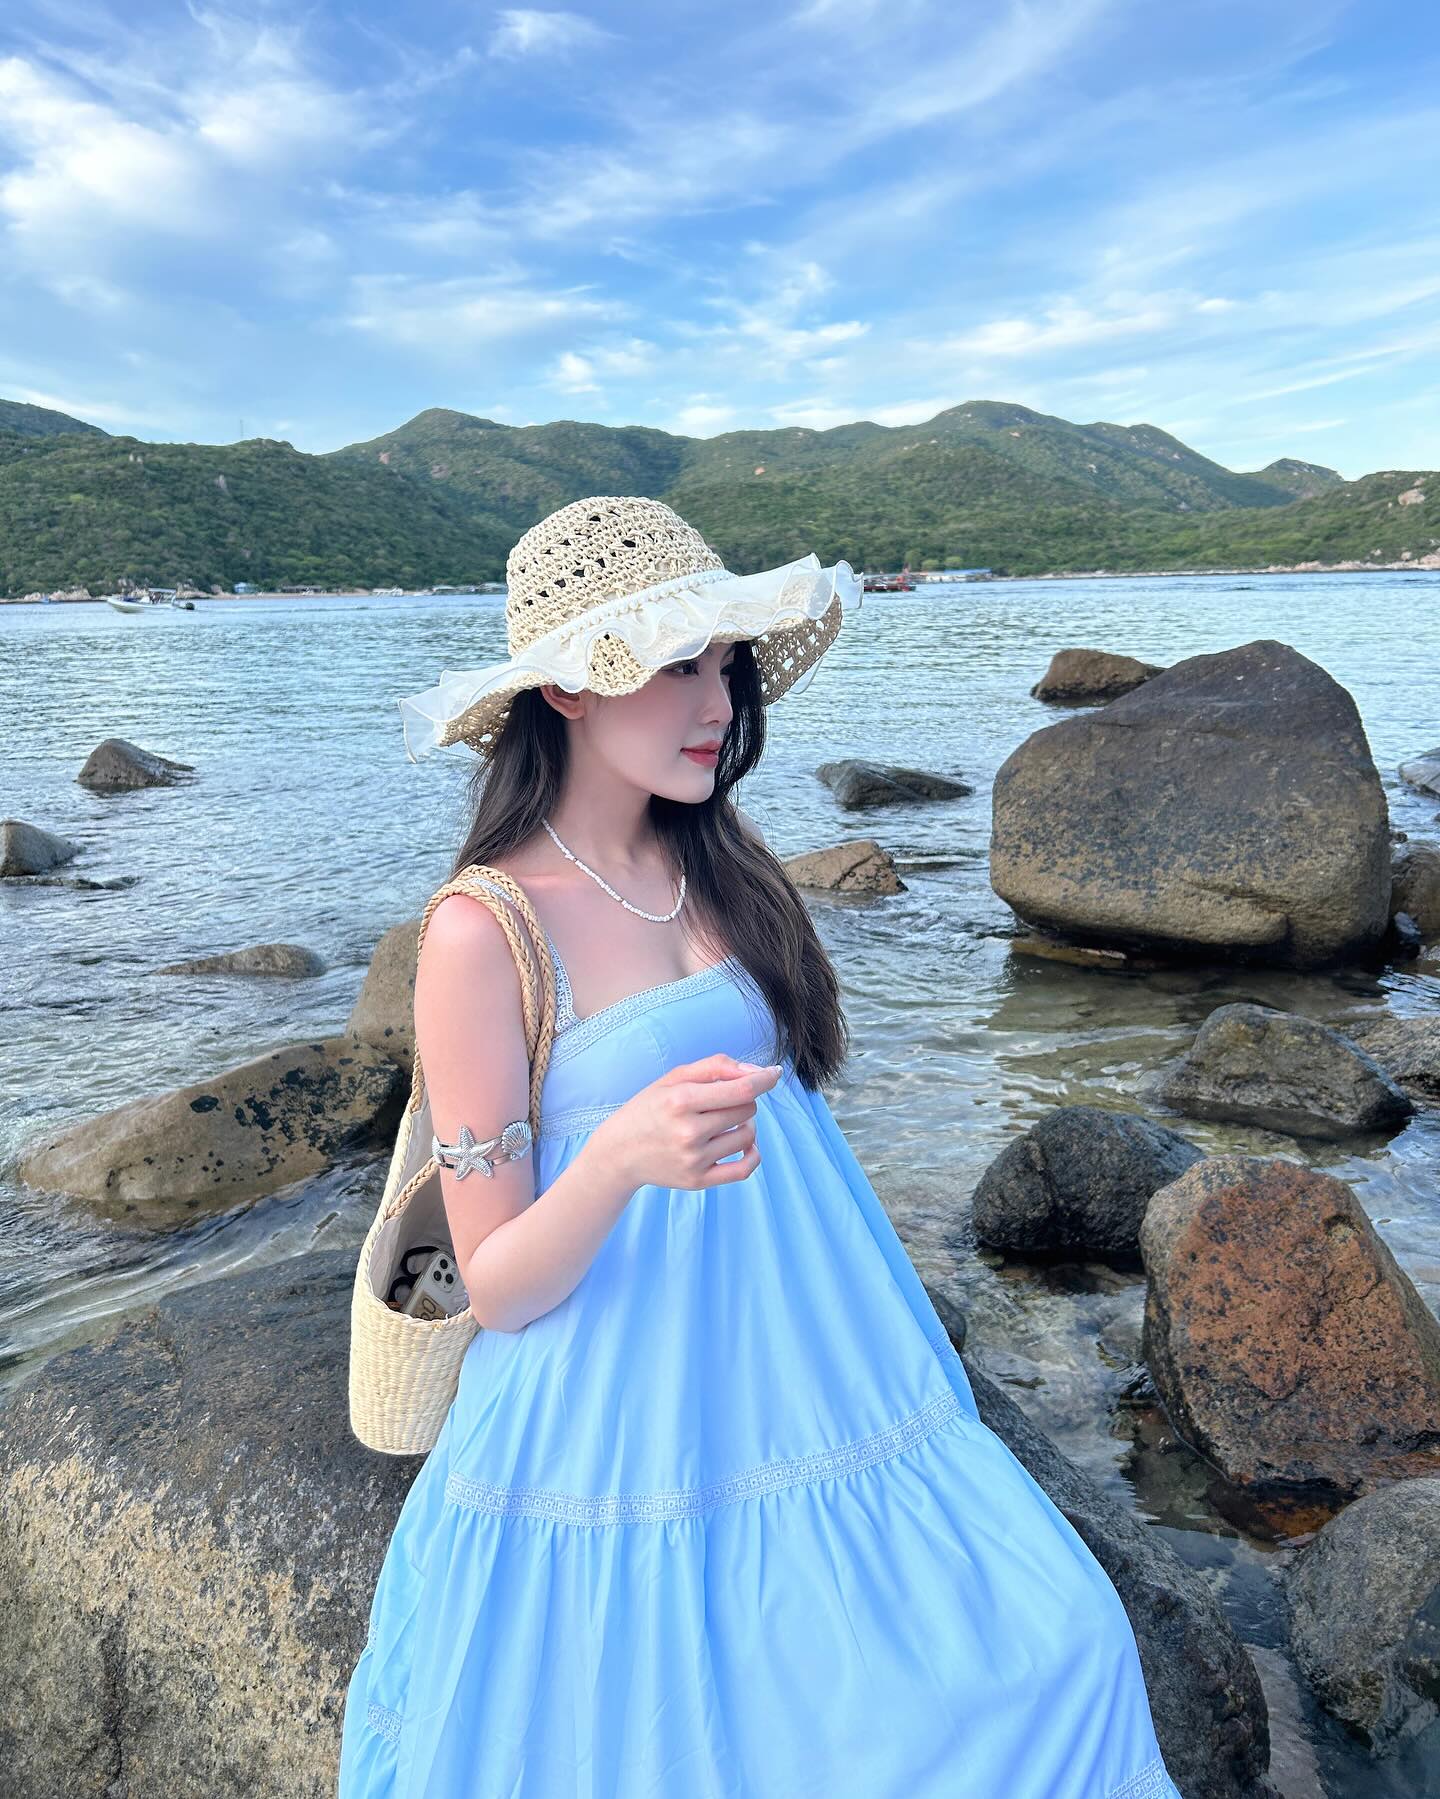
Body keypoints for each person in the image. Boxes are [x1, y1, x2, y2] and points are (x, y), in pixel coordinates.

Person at [338, 496, 1182, 1798]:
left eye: (727, 664)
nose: (718, 701)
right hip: (617, 1397)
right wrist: (617, 1155)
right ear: (567, 688)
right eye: (680, 665)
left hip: (808, 1350)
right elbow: (492, 1281)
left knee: (1059, 1650)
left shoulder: (718, 861)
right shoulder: (482, 932)